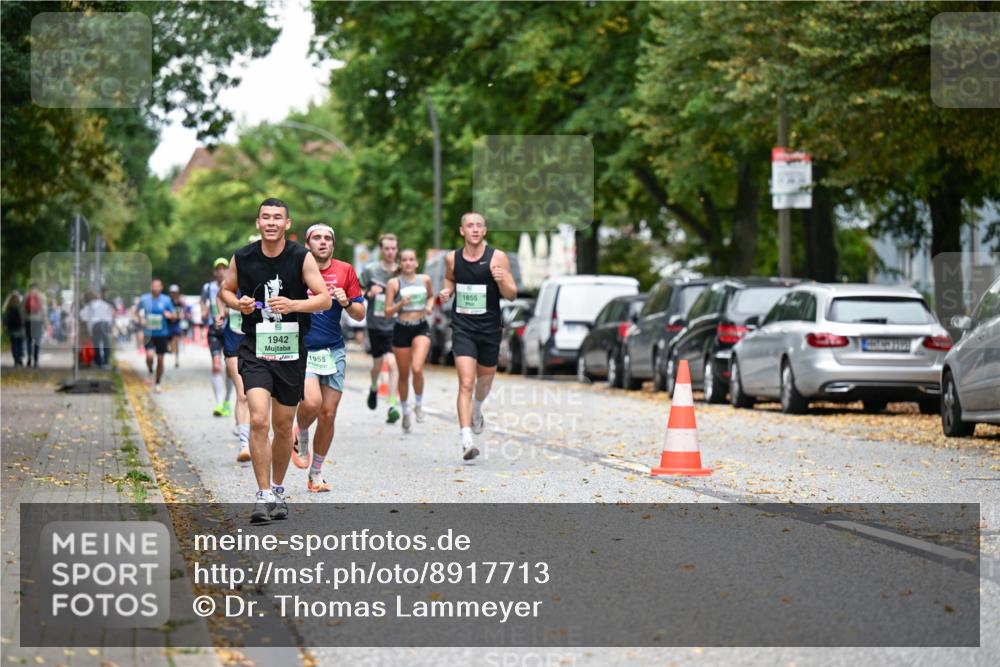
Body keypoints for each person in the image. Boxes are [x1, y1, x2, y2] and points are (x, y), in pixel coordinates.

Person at [219, 198, 331, 524]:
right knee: (258, 419)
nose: (270, 222)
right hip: (255, 347)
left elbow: (323, 298)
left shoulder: (301, 257)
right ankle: (263, 494)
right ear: (258, 223)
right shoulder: (242, 256)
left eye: (277, 217)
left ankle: (279, 490)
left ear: (287, 223)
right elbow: (225, 291)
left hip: (291, 350)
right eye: (265, 217)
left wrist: (294, 305)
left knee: (283, 427)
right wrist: (237, 303)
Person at [439, 213, 517, 460]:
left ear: (485, 231)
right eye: (470, 225)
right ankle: (466, 440)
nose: (474, 229)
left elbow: (512, 294)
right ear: (462, 230)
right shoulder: (452, 258)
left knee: (484, 384)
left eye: (479, 226)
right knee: (465, 382)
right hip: (462, 328)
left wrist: (502, 280)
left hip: (490, 330)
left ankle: (477, 408)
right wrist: (446, 291)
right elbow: (450, 279)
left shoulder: (498, 257)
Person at [292, 224, 365, 492]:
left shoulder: (345, 270)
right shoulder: (297, 268)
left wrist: (346, 302)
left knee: (329, 413)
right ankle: (300, 435)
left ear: (333, 244)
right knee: (312, 403)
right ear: (307, 243)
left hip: (333, 349)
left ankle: (316, 473)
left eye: (328, 238)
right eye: (317, 238)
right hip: (304, 349)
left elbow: (360, 314)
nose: (323, 242)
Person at [384, 249, 434, 433]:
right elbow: (387, 312)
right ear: (400, 263)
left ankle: (418, 405)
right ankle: (405, 410)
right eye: (404, 260)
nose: (408, 263)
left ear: (416, 263)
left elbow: (431, 296)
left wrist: (429, 307)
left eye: (411, 259)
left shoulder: (425, 279)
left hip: (421, 326)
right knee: (403, 374)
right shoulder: (394, 283)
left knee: (418, 368)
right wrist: (400, 304)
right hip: (401, 328)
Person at [360, 233, 401, 423]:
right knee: (377, 366)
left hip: (396, 324)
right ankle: (374, 386)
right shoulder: (371, 270)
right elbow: (357, 291)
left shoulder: (401, 272)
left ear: (397, 250)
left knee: (392, 364)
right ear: (381, 249)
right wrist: (369, 293)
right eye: (387, 248)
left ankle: (392, 404)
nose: (390, 252)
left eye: (393, 248)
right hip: (376, 325)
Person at [216, 286, 251, 463]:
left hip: (257, 343)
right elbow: (219, 294)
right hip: (233, 343)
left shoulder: (259, 278)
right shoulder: (232, 284)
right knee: (243, 394)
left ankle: (257, 434)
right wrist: (221, 313)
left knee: (260, 395)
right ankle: (244, 444)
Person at [203, 259, 233, 417]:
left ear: (228, 270)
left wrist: (226, 311)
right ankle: (219, 403)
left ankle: (227, 401)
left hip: (230, 330)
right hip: (214, 330)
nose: (221, 271)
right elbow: (203, 302)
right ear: (214, 272)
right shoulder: (208, 287)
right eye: (218, 268)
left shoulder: (233, 285)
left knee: (230, 369)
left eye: (224, 268)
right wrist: (204, 311)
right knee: (216, 365)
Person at [137, 278, 176, 393]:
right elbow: (136, 313)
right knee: (149, 356)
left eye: (157, 286)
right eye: (153, 286)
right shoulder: (144, 299)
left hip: (162, 333)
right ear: (150, 287)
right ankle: (150, 371)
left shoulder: (166, 300)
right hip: (149, 333)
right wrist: (141, 319)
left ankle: (158, 382)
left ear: (161, 287)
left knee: (160, 359)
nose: (155, 288)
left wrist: (170, 315)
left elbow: (174, 314)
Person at [80, 289, 114, 368]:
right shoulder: (103, 303)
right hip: (105, 323)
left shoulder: (88, 306)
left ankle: (98, 362)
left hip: (95, 325)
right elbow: (109, 314)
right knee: (106, 343)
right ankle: (106, 362)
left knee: (96, 344)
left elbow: (83, 317)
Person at [24, 284, 44, 367]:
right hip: (38, 321)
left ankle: (29, 359)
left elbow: (22, 309)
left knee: (29, 340)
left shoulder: (26, 296)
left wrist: (23, 320)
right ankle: (36, 361)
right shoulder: (41, 296)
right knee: (37, 341)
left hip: (28, 320)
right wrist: (44, 321)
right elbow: (43, 310)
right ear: (37, 288)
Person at [3, 291, 25, 367]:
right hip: (19, 327)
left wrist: (5, 325)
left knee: (14, 343)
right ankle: (20, 358)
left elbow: (4, 317)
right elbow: (23, 317)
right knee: (20, 343)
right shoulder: (20, 305)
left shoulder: (7, 306)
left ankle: (16, 359)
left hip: (11, 328)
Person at [168, 285, 185, 368]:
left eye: (175, 293)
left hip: (176, 325)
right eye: (172, 293)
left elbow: (182, 314)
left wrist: (177, 317)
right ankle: (171, 348)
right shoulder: (168, 302)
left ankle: (176, 359)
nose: (173, 294)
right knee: (170, 341)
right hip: (168, 324)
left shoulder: (180, 303)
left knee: (176, 341)